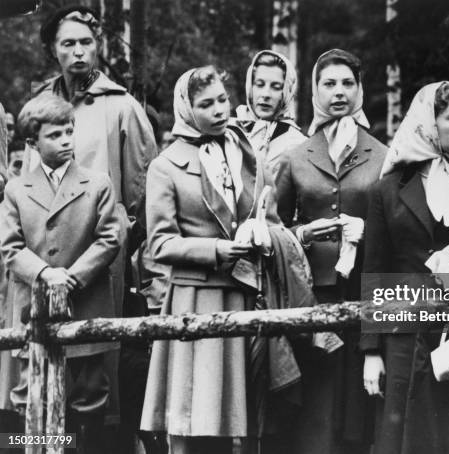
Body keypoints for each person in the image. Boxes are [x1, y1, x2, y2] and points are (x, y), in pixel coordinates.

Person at [24, 5, 158, 430]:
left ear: (97, 46)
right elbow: (27, 183)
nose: (79, 52)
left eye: (86, 42)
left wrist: (118, 243)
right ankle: (49, 441)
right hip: (44, 256)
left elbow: (142, 189)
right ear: (52, 50)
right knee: (45, 362)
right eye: (68, 44)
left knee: (98, 372)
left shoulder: (120, 107)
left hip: (102, 256)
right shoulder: (40, 106)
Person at [360, 81, 449, 454]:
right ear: (428, 123)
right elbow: (375, 269)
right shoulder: (388, 191)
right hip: (404, 336)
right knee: (405, 437)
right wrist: (371, 353)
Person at [140, 66, 279, 454]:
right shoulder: (165, 166)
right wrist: (216, 251)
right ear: (187, 109)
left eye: (222, 99)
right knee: (194, 414)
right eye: (206, 104)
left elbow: (271, 215)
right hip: (195, 297)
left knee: (245, 413)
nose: (220, 110)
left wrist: (265, 235)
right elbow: (160, 243)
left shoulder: (247, 152)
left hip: (246, 291)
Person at [275, 48, 388, 454]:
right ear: (314, 90)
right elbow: (274, 228)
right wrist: (303, 234)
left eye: (347, 83)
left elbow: (394, 229)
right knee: (315, 409)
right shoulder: (296, 156)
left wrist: (368, 232)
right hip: (312, 298)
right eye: (329, 83)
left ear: (360, 89)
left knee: (357, 408)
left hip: (362, 293)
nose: (338, 92)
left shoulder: (383, 156)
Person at [0, 94, 121, 453]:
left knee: (90, 393)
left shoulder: (97, 183)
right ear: (32, 143)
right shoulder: (17, 189)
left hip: (85, 302)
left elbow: (111, 237)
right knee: (29, 392)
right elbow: (9, 246)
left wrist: (70, 276)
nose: (66, 140)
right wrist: (43, 274)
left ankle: (86, 448)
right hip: (31, 308)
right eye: (55, 135)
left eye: (70, 132)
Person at [236, 50, 306, 178]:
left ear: (286, 92)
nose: (266, 94)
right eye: (260, 85)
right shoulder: (232, 132)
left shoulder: (297, 144)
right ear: (250, 88)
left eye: (276, 87)